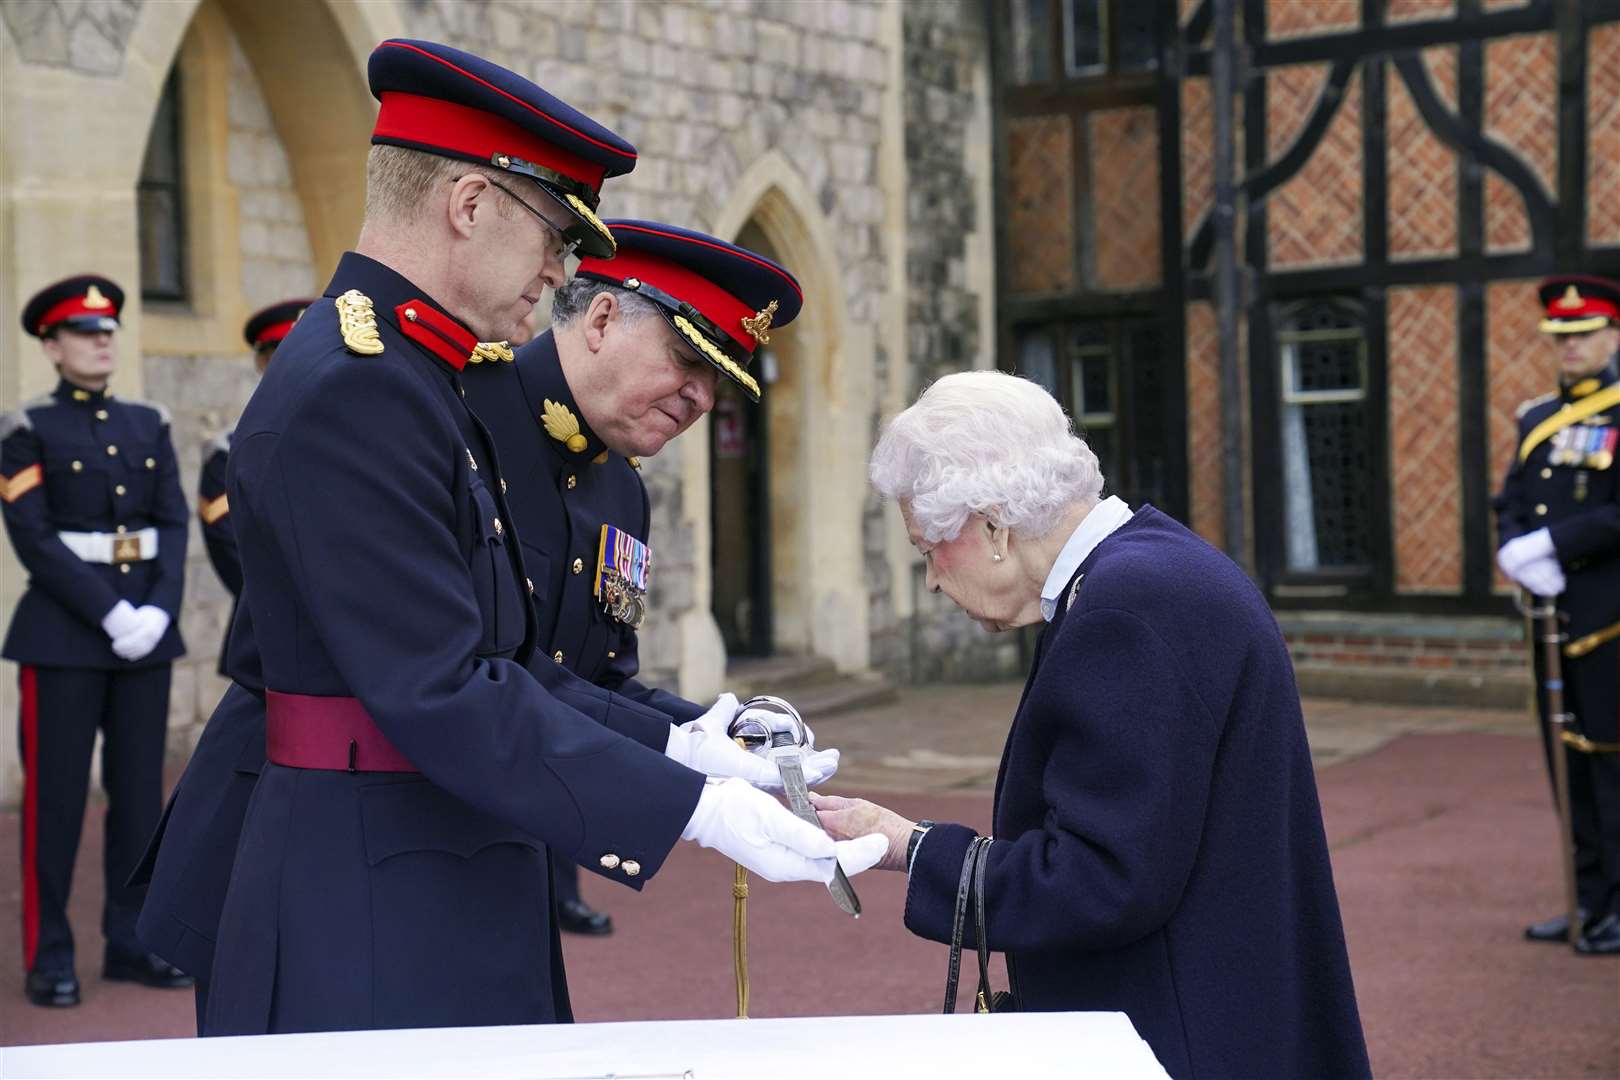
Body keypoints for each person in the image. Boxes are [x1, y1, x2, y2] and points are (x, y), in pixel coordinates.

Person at [148, 38, 879, 1037]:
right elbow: (443, 686)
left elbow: (516, 660)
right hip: (359, 886)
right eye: (554, 233)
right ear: (468, 204)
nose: (562, 270)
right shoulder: (362, 384)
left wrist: (686, 741)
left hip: (426, 859)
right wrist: (692, 806)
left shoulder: (414, 375)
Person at [814, 371, 1370, 1077]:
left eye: (929, 549)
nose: (930, 579)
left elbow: (1105, 880)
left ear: (991, 524)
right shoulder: (1147, 569)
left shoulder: (1125, 607)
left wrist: (912, 848)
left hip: (1178, 1035)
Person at [462, 219, 814, 936]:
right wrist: (682, 767)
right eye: (687, 359)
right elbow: (466, 671)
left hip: (511, 845)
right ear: (599, 319)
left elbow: (596, 680)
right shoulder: (460, 412)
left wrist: (714, 732)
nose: (700, 398)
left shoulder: (620, 489)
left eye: (716, 380)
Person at [1, 275, 192, 1007]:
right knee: (54, 806)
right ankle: (50, 953)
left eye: (108, 328)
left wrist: (156, 612)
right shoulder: (24, 429)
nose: (102, 339)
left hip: (146, 631)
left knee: (141, 798)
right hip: (64, 637)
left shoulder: (150, 422)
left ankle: (132, 939)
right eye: (84, 331)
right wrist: (111, 615)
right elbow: (34, 539)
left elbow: (173, 524)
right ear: (51, 346)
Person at [1493, 274, 1620, 956]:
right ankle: (1587, 898)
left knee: (1611, 764)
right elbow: (1510, 499)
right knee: (1565, 764)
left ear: (1613, 334)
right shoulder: (1537, 417)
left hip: (1611, 619)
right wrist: (1514, 546)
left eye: (1584, 334)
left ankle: (1618, 905)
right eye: (1561, 337)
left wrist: (1554, 545)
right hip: (1551, 621)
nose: (1570, 347)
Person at [197, 299, 313, 666]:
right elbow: (231, 546)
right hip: (272, 629)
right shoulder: (229, 451)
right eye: (282, 351)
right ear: (262, 362)